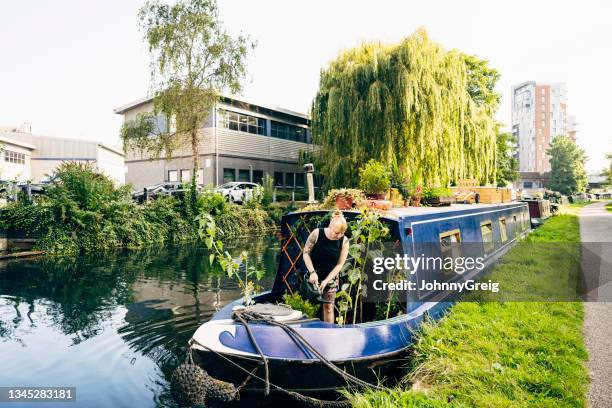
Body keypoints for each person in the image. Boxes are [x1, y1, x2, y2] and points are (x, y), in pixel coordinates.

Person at [302, 210, 349, 323]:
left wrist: (327, 280)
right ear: (330, 226)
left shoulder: (345, 241)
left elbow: (339, 264)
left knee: (328, 308)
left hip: (330, 278)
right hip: (312, 277)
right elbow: (306, 253)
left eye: (342, 233)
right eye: (336, 233)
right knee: (309, 307)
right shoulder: (317, 234)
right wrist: (313, 273)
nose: (339, 236)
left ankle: (329, 333)